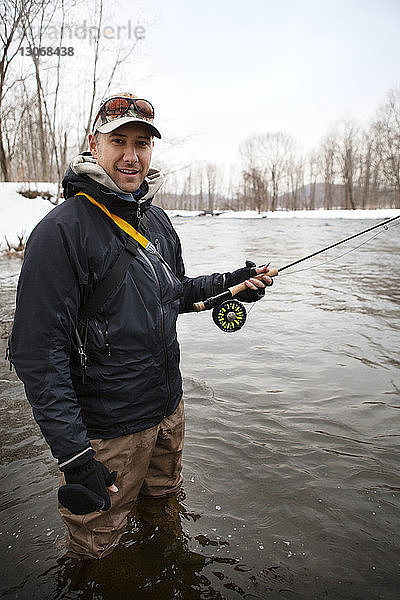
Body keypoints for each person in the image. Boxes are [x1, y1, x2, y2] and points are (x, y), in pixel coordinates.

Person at [9, 92, 273, 560]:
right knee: (96, 550)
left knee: (165, 511)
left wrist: (234, 283)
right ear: (94, 143)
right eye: (119, 141)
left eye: (142, 143)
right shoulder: (60, 231)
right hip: (109, 431)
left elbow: (176, 293)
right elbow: (37, 355)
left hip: (167, 410)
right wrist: (74, 457)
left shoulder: (156, 220)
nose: (131, 155)